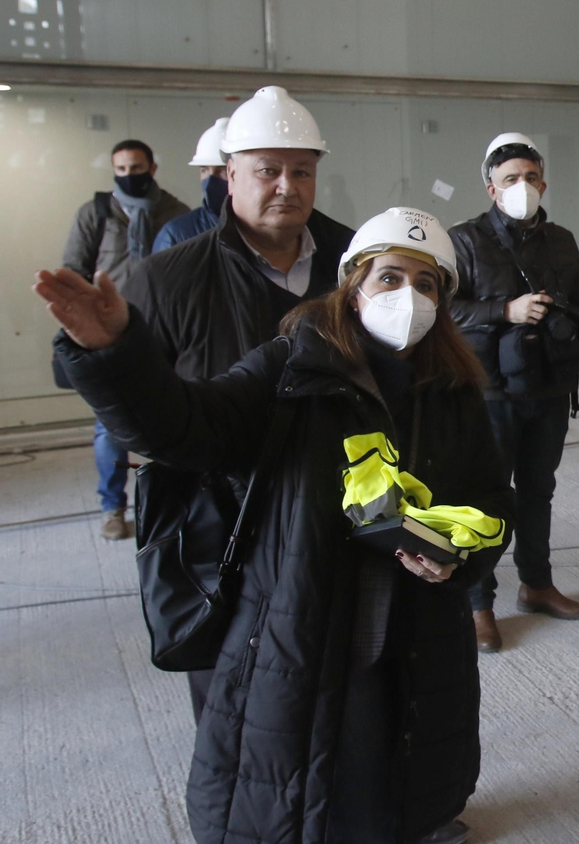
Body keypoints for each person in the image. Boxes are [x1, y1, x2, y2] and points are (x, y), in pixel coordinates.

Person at [39, 207, 511, 844]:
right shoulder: (290, 367)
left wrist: (462, 555)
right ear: (353, 286)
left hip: (417, 625)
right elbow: (184, 426)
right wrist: (117, 354)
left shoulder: (451, 389)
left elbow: (490, 498)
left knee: (402, 770)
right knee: (306, 784)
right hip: (306, 618)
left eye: (426, 284)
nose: (409, 296)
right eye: (390, 277)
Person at [121, 86, 354, 723]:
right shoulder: (168, 278)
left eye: (301, 171)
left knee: (337, 677)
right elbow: (140, 406)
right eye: (267, 170)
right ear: (229, 175)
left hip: (338, 506)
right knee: (231, 692)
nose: (286, 186)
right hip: (220, 522)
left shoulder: (358, 266)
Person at [448, 132, 579, 650]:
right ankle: (477, 602)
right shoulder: (464, 241)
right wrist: (506, 311)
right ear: (491, 188)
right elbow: (445, 310)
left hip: (550, 388)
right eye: (511, 179)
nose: (522, 186)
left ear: (544, 183)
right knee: (487, 499)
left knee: (539, 492)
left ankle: (537, 585)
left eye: (531, 177)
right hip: (490, 394)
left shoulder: (560, 239)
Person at [62, 138, 191, 540]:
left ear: (152, 168)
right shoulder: (96, 214)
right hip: (111, 334)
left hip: (163, 330)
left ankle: (172, 505)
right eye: (121, 170)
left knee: (173, 417)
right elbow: (73, 269)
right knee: (110, 425)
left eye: (136, 168)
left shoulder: (176, 214)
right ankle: (112, 508)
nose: (128, 176)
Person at [152, 117, 231, 253]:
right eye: (204, 170)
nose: (210, 180)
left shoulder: (267, 228)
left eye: (222, 170)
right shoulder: (175, 234)